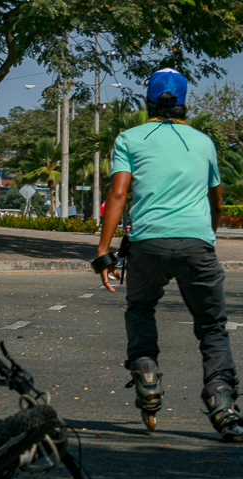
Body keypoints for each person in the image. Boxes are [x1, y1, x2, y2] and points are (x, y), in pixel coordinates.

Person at [94, 68, 243, 441]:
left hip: (148, 244)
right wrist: (206, 235)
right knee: (212, 326)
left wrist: (103, 251)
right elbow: (216, 200)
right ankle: (223, 404)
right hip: (197, 244)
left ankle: (146, 371)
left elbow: (118, 194)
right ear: (185, 104)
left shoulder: (129, 138)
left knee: (141, 309)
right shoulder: (204, 142)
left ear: (147, 103)